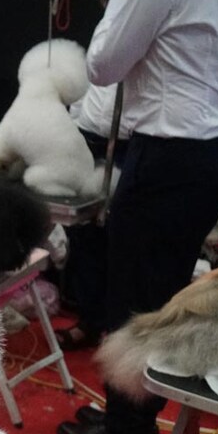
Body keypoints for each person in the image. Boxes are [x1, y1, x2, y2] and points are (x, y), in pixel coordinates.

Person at [56, 0, 218, 434]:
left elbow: (103, 66)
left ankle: (127, 427)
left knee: (133, 293)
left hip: (169, 151)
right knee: (161, 289)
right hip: (214, 148)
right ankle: (132, 413)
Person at [53, 81, 134, 350]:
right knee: (83, 233)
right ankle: (90, 321)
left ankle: (120, 329)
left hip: (129, 142)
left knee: (124, 238)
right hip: (88, 137)